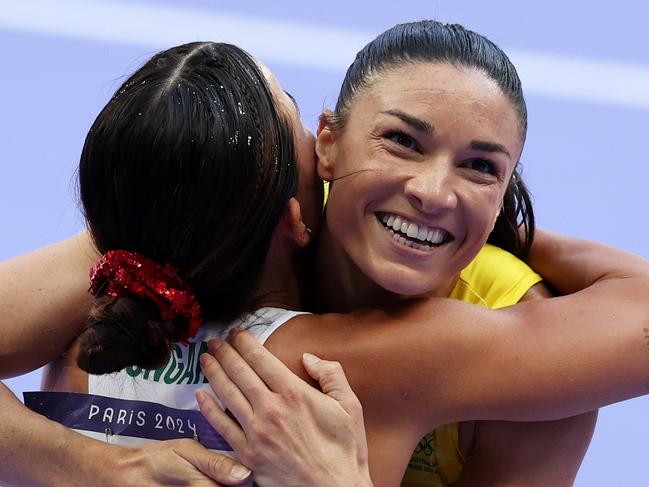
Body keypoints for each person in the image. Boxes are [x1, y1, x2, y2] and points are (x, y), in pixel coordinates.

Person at [2, 23, 649, 485]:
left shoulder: (113, 280)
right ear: (304, 187)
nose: (431, 191)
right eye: (399, 141)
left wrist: (90, 465)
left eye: (480, 165)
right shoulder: (403, 355)